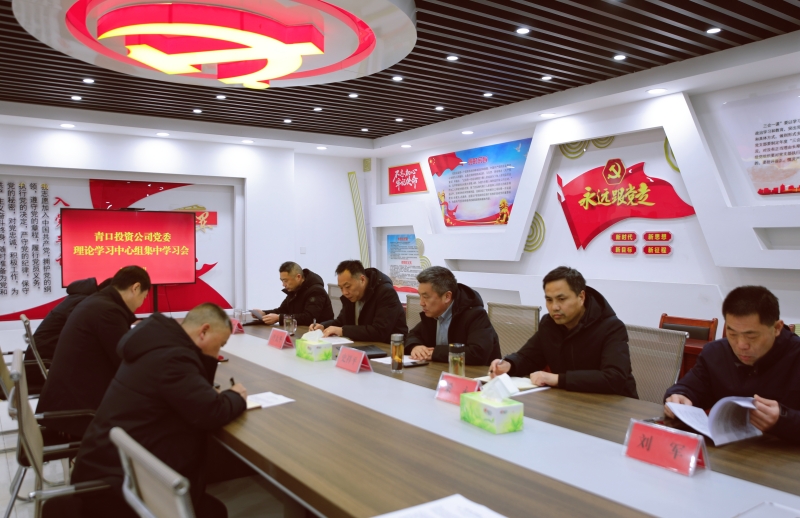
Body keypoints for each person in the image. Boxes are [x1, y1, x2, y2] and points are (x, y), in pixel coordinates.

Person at [71, 303, 247, 518]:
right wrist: (236, 396)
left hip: (108, 469)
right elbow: (211, 412)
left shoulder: (156, 344)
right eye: (220, 344)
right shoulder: (173, 358)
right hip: (117, 487)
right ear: (204, 331)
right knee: (215, 511)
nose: (218, 353)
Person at [664, 286, 800, 443]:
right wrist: (680, 396)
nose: (741, 345)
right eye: (733, 334)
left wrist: (784, 418)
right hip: (728, 450)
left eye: (752, 336)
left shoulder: (795, 356)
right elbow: (689, 387)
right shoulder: (715, 353)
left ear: (777, 328)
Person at [36, 266, 150, 439]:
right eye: (144, 296)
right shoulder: (108, 311)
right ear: (135, 288)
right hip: (78, 415)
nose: (141, 303)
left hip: (65, 404)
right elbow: (126, 362)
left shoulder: (97, 302)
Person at [489, 266, 638, 398]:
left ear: (581, 297)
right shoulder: (549, 324)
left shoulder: (611, 327)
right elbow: (529, 358)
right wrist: (509, 364)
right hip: (570, 400)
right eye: (549, 300)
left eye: (561, 299)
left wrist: (557, 379)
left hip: (615, 406)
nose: (554, 307)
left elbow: (614, 378)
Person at [24, 277, 111, 390]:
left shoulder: (78, 298)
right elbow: (86, 338)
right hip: (43, 369)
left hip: (41, 364)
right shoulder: (82, 303)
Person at [404, 266, 500, 365]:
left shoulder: (475, 315)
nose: (421, 303)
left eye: (425, 297)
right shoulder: (433, 313)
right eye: (420, 296)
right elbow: (413, 335)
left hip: (478, 373)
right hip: (441, 371)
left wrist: (435, 353)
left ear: (447, 297)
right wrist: (415, 346)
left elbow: (478, 353)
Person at [310, 260, 407, 343]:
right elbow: (341, 321)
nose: (344, 292)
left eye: (347, 286)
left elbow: (379, 331)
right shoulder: (351, 296)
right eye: (341, 288)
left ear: (362, 279)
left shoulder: (386, 293)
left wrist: (342, 331)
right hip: (361, 345)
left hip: (389, 348)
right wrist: (323, 326)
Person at [259, 261, 334, 326]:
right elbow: (283, 310)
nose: (283, 284)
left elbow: (308, 318)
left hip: (318, 333)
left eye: (286, 281)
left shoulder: (316, 291)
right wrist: (264, 313)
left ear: (298, 277)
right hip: (300, 330)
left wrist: (279, 318)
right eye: (282, 281)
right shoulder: (294, 289)